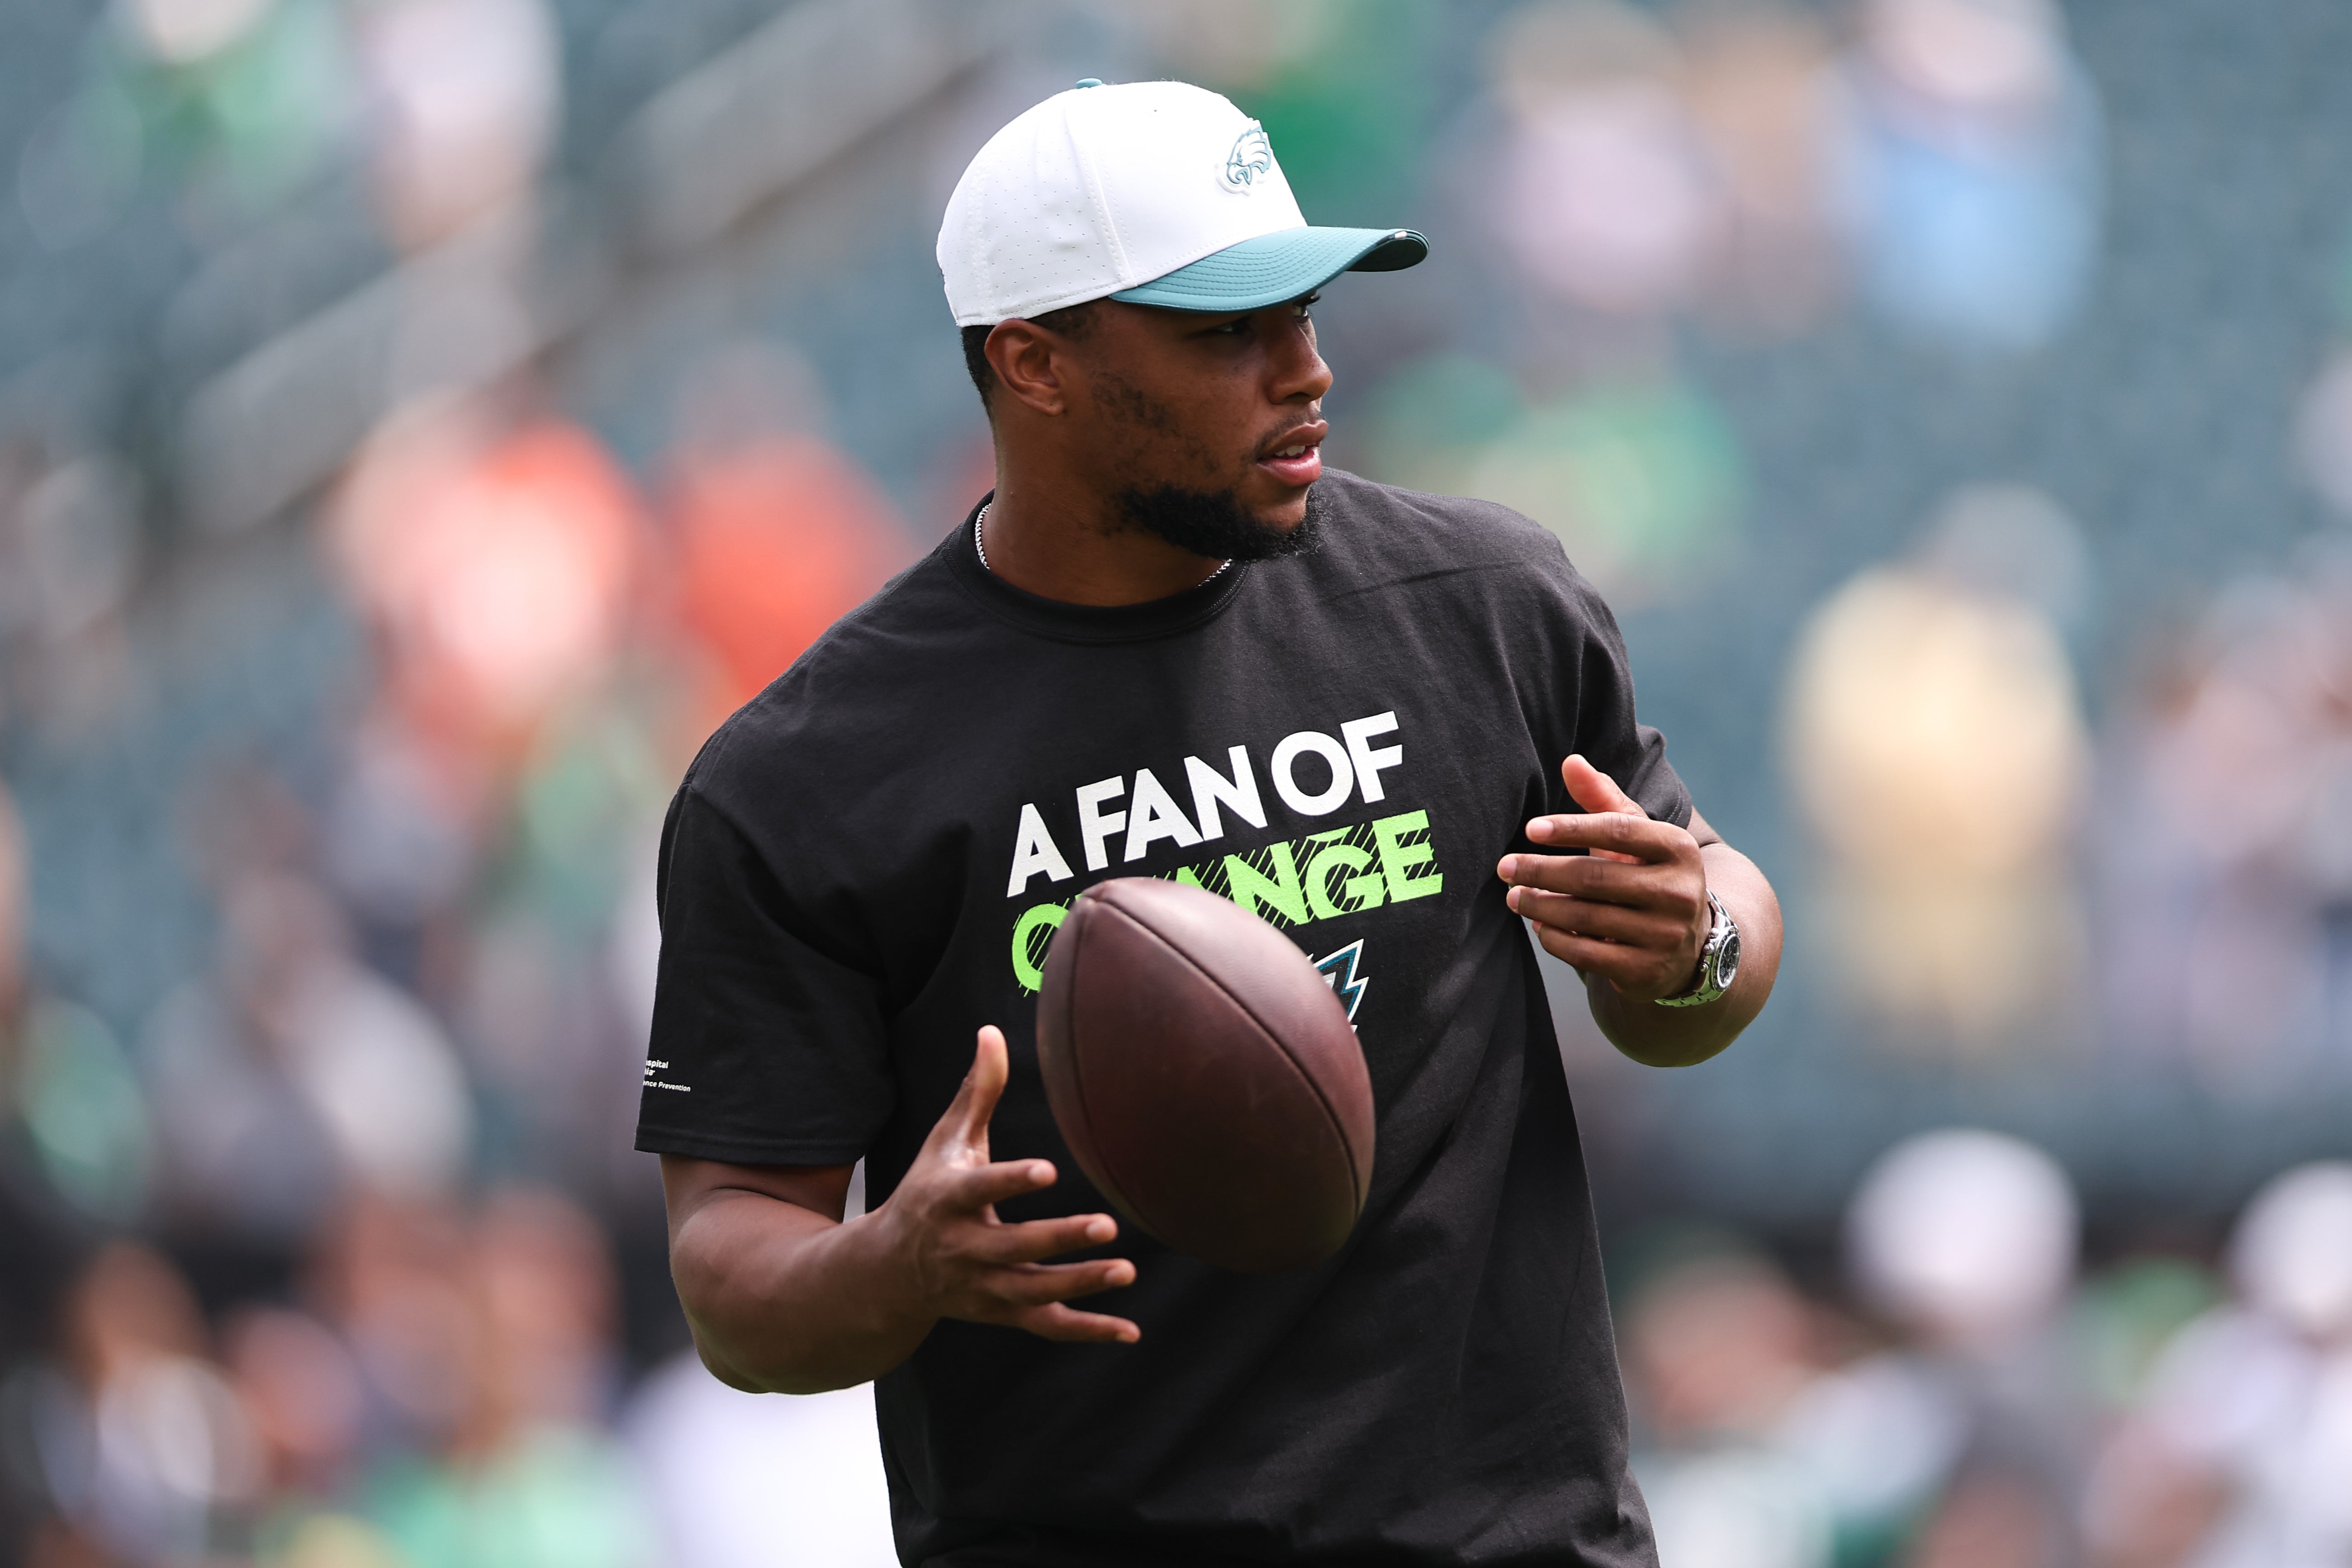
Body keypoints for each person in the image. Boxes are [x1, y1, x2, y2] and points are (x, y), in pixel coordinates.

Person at [638, 79, 1782, 1567]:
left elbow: (1708, 956)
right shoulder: (804, 777)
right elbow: (732, 1272)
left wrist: (1690, 941)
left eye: (1305, 313)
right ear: (1034, 363)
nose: (1307, 372)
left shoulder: (1479, 605)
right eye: (1226, 334)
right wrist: (892, 1261)